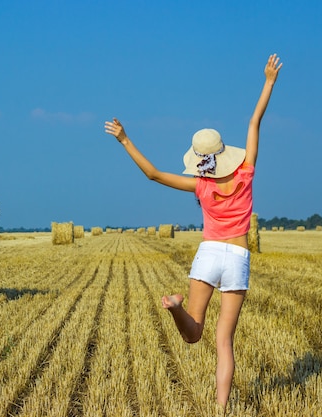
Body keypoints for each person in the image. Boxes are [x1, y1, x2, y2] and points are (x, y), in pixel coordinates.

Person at [104, 54, 282, 410]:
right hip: (239, 257)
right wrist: (269, 81)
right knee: (223, 342)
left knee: (194, 333)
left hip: (209, 254)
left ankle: (175, 309)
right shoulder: (246, 171)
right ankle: (221, 410)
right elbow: (254, 120)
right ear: (224, 153)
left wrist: (125, 140)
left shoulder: (199, 186)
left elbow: (153, 174)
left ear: (200, 159)